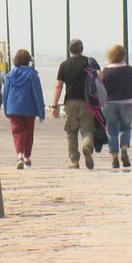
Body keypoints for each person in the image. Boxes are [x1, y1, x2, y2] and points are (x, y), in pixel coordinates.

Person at [51, 38, 100, 169]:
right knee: (88, 129)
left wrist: (54, 105)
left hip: (70, 102)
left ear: (70, 50)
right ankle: (87, 146)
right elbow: (100, 78)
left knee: (71, 132)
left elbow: (58, 86)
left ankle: (74, 160)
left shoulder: (64, 65)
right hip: (87, 101)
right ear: (82, 49)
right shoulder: (90, 62)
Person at [3, 49, 45, 169]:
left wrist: (6, 109)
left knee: (17, 132)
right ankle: (27, 157)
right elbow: (37, 93)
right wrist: (41, 112)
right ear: (28, 60)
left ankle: (19, 155)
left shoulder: (9, 74)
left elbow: (5, 93)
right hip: (29, 108)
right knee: (29, 132)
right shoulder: (32, 74)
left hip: (13, 108)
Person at [101, 45, 132, 168]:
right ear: (123, 55)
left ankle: (114, 159)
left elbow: (101, 90)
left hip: (109, 103)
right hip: (126, 103)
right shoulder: (129, 70)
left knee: (111, 131)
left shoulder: (105, 71)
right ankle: (124, 150)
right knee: (125, 128)